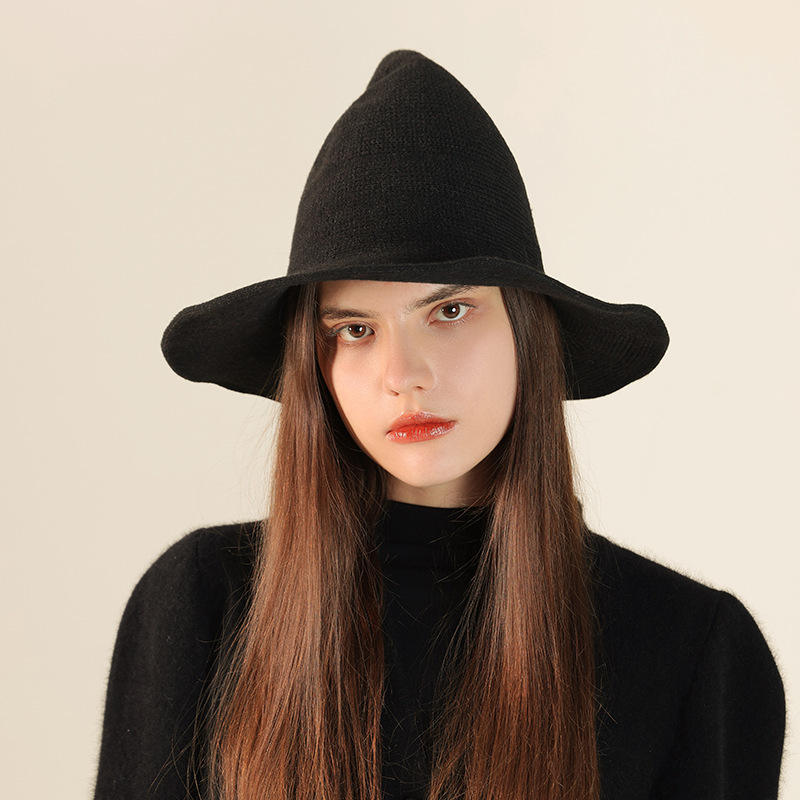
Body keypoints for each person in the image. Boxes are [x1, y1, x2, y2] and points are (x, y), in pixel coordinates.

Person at [91, 50, 786, 800]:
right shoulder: (202, 606)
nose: (403, 373)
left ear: (528, 331)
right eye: (355, 329)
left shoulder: (692, 650)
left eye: (449, 311)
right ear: (314, 361)